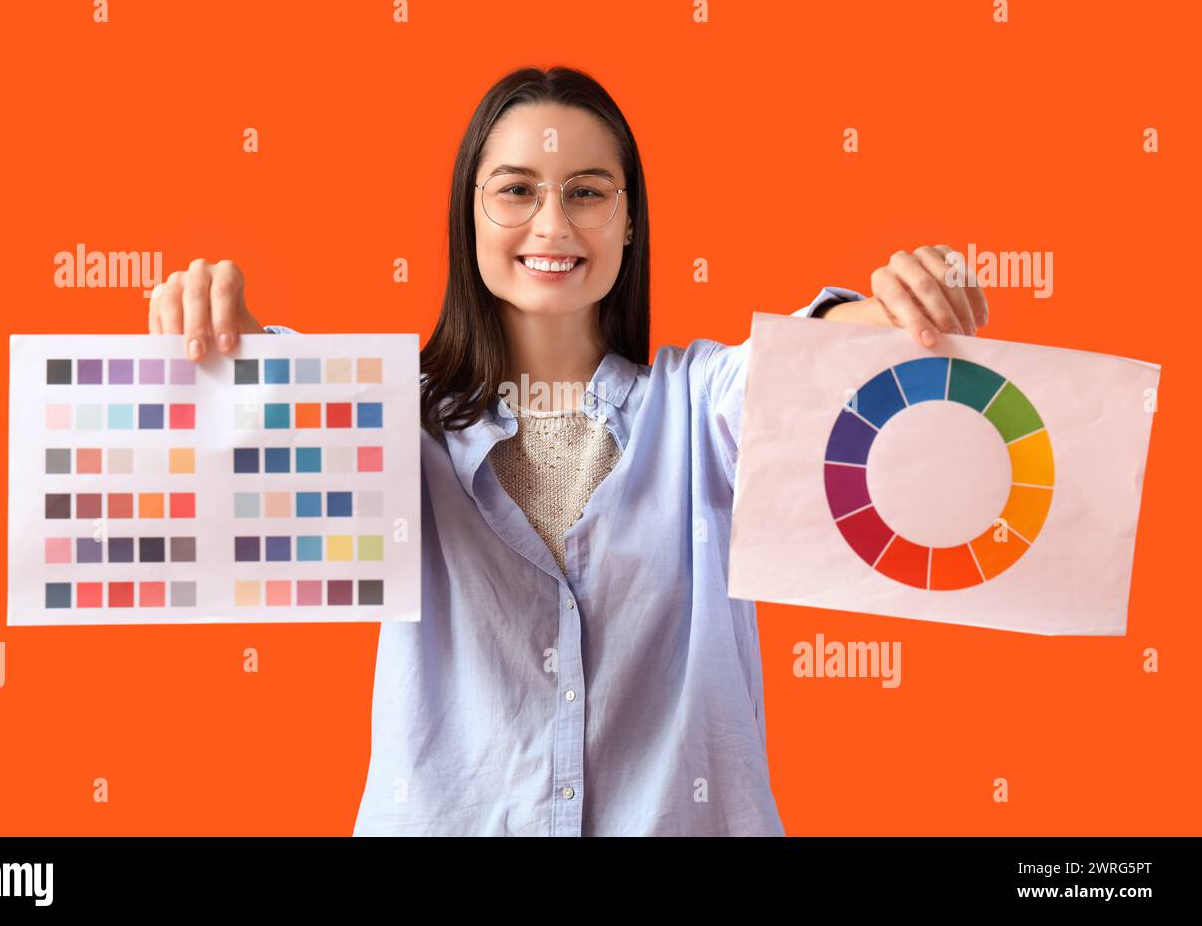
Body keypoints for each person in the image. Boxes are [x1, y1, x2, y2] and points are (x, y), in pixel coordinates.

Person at [147, 66, 988, 835]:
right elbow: (290, 413)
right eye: (515, 190)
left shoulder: (701, 406)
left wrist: (894, 309)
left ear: (629, 223)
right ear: (467, 217)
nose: (553, 223)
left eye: (587, 191)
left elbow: (802, 370)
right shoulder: (399, 420)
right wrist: (229, 341)